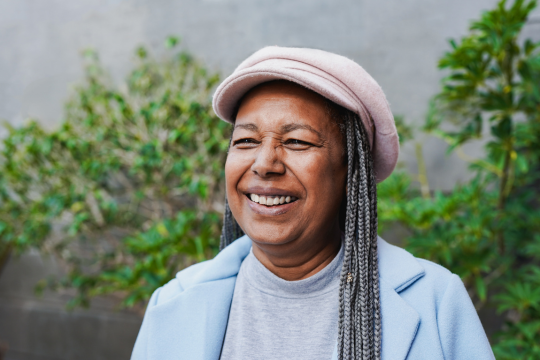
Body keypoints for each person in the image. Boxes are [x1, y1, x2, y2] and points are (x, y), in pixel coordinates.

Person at [130, 46, 494, 360]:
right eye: (245, 141)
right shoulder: (173, 303)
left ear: (351, 171)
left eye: (297, 142)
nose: (264, 164)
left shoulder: (435, 302)